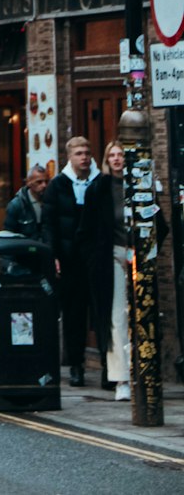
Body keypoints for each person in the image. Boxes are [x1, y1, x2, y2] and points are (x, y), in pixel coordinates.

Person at [82, 139, 168, 401]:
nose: (117, 159)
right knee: (117, 317)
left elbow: (160, 225)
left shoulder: (140, 186)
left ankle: (146, 373)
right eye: (113, 155)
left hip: (138, 258)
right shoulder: (98, 189)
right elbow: (88, 229)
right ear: (107, 160)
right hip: (113, 258)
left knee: (143, 316)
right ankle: (121, 379)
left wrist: (142, 251)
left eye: (121, 155)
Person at [42, 135, 97, 387]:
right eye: (79, 153)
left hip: (95, 258)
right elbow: (49, 224)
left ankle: (109, 369)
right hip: (69, 259)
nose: (84, 157)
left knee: (100, 313)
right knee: (74, 315)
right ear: (69, 157)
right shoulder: (57, 186)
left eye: (86, 152)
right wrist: (53, 255)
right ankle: (76, 365)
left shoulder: (100, 182)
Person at [4, 165, 49, 241]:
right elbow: (9, 234)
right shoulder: (17, 205)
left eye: (46, 181)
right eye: (39, 182)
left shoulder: (50, 202)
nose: (44, 185)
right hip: (25, 248)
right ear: (28, 182)